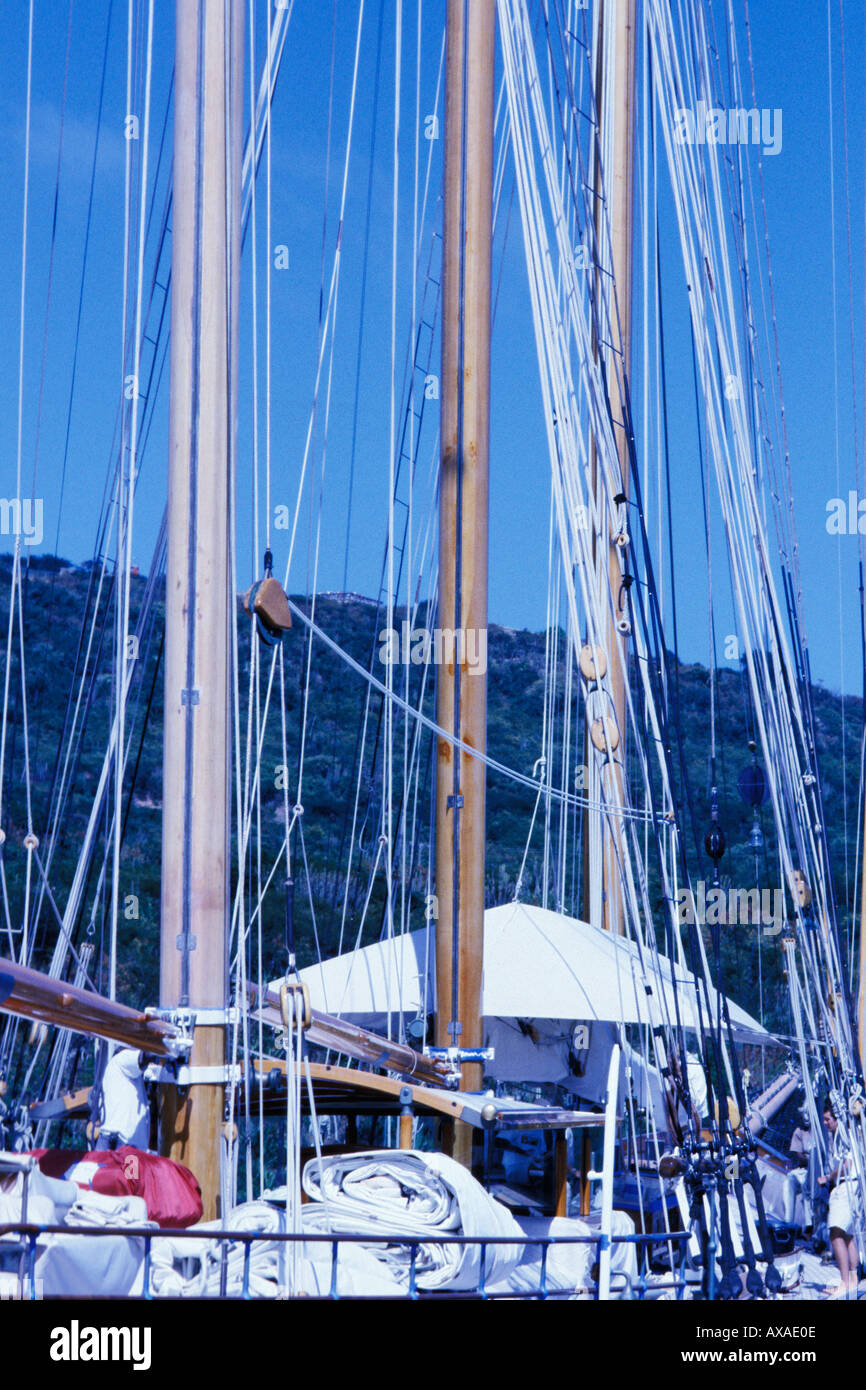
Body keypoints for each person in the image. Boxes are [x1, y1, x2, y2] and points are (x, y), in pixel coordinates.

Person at [817, 1103, 860, 1298]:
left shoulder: (843, 1136)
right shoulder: (851, 1134)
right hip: (856, 1187)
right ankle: (853, 1279)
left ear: (837, 1119)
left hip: (845, 1186)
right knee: (848, 1235)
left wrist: (827, 1177)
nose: (825, 1123)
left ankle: (844, 1282)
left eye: (828, 1120)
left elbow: (847, 1165)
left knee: (835, 1233)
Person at [783, 1109, 815, 1230]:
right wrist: (810, 1160)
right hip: (804, 1168)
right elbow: (799, 1154)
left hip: (818, 1170)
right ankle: (788, 1222)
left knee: (805, 1183)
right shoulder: (799, 1132)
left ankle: (809, 1225)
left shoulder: (822, 1129)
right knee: (790, 1180)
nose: (805, 1118)